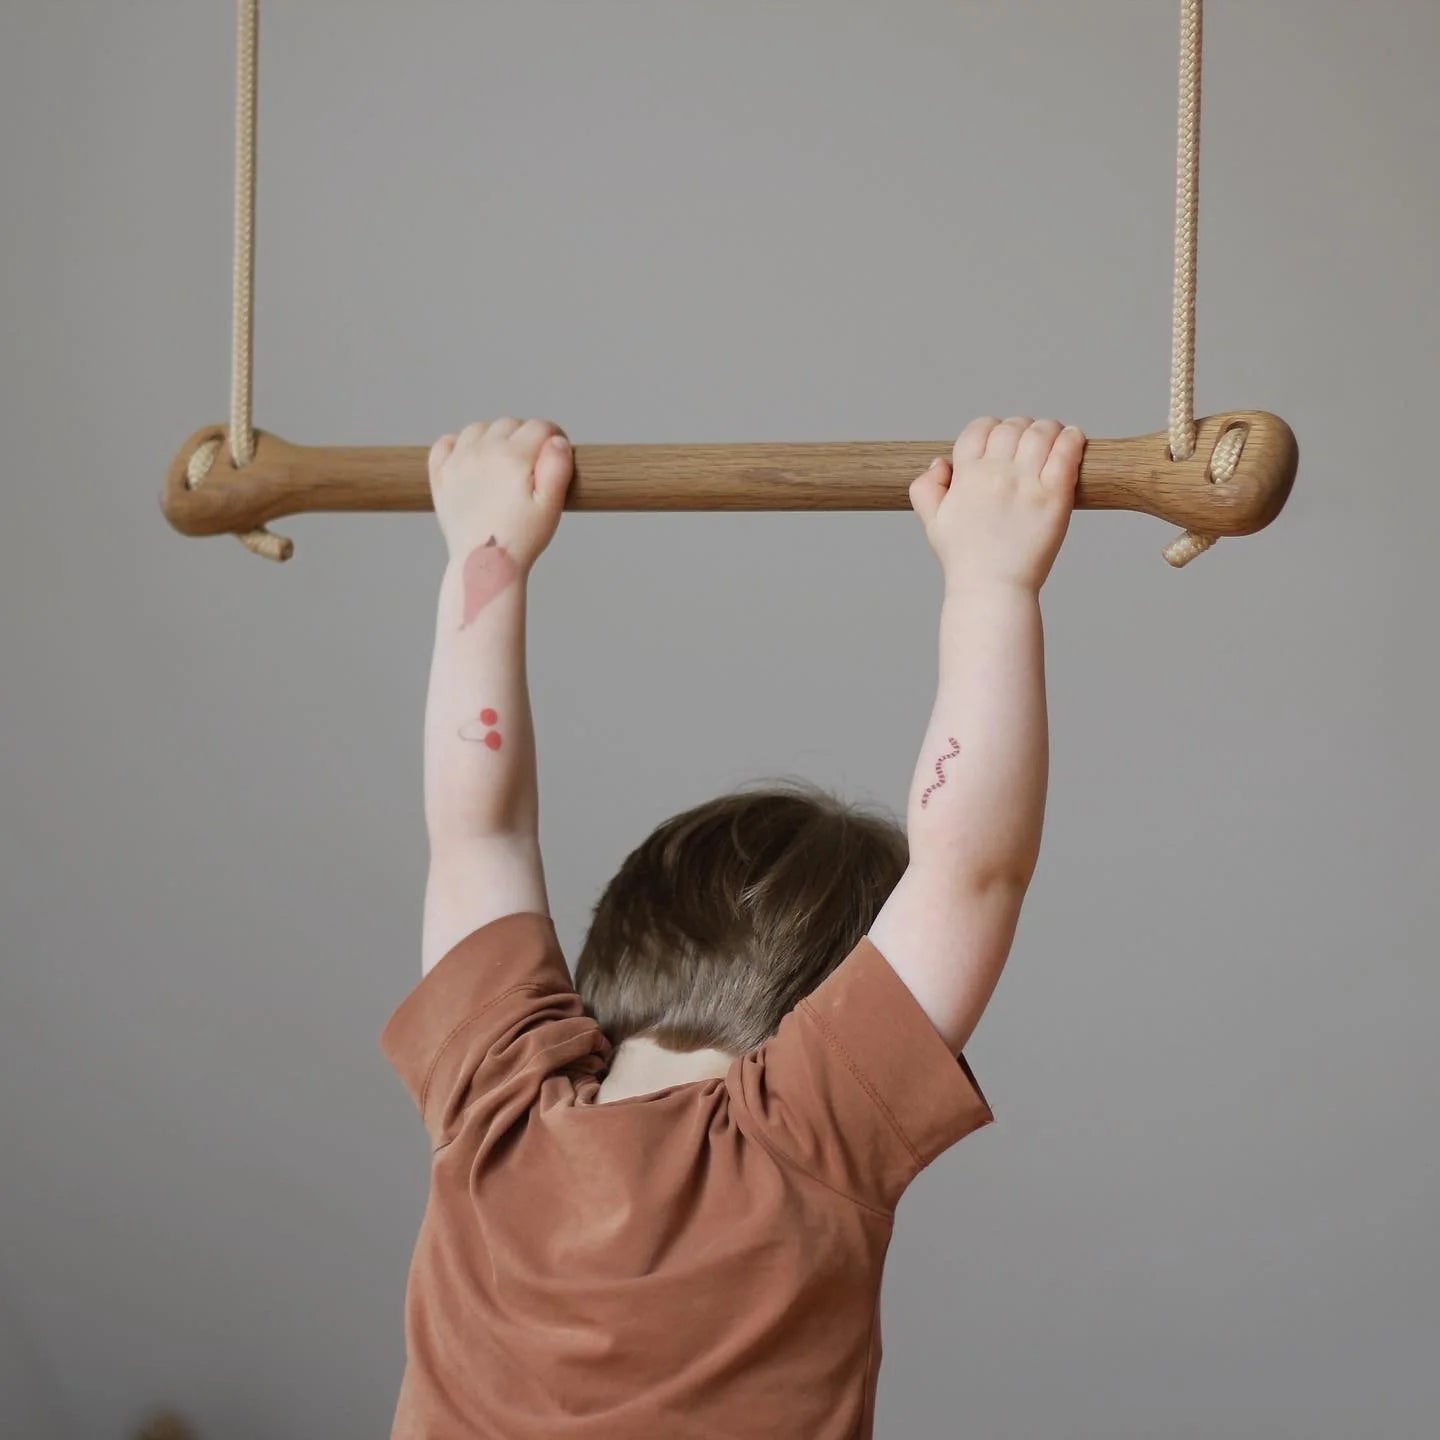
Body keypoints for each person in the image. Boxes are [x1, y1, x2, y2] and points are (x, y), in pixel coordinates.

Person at [382, 414, 1085, 1438]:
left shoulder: (492, 1102)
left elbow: (475, 834)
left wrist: (484, 548)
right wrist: (996, 584)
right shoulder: (804, 1136)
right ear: (833, 1004)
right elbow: (969, 874)